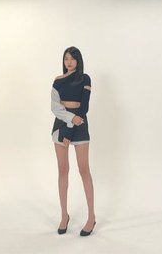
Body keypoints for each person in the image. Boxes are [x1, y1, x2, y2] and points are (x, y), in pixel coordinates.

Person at [51, 46, 96, 237]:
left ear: (78, 60)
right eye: (66, 58)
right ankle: (64, 215)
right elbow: (55, 108)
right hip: (61, 125)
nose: (68, 62)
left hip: (80, 124)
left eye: (72, 58)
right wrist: (70, 121)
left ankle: (91, 216)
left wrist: (72, 127)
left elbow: (84, 106)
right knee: (63, 170)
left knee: (84, 169)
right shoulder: (57, 81)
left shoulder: (85, 78)